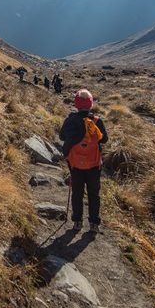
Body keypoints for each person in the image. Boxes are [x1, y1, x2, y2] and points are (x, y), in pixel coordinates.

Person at [59, 89, 108, 233]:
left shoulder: (70, 120)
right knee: (94, 194)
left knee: (77, 193)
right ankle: (94, 223)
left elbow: (62, 137)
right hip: (94, 164)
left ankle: (77, 222)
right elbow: (104, 139)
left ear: (76, 104)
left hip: (75, 164)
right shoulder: (97, 121)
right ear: (91, 104)